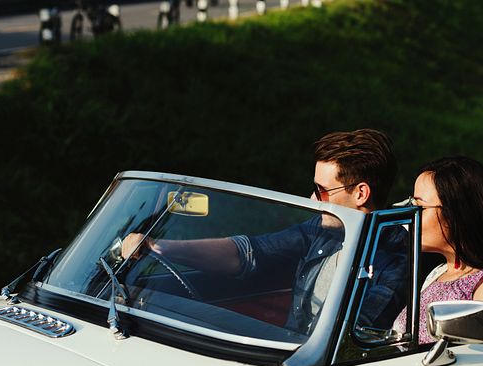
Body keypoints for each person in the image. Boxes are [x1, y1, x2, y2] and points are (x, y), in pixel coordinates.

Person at [122, 129, 408, 335]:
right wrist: (159, 246)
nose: (311, 199)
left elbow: (352, 335)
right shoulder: (324, 229)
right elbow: (252, 252)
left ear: (360, 194)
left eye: (321, 191)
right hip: (289, 348)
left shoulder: (396, 259)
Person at [393, 156, 483, 344]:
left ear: (458, 214)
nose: (411, 216)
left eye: (420, 207)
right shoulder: (438, 272)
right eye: (411, 206)